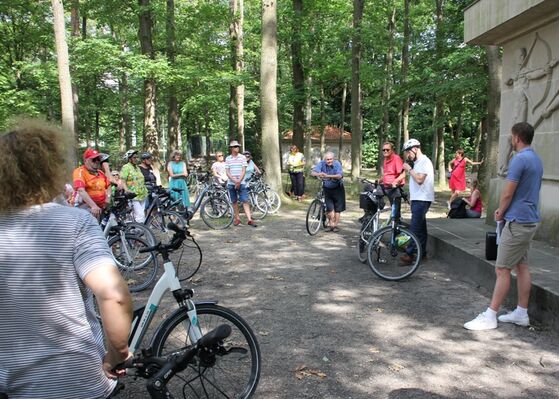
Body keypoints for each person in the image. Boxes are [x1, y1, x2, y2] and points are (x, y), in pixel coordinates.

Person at [0, 120, 133, 399]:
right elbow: (114, 296)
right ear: (50, 168)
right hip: (74, 377)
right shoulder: (74, 223)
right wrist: (116, 355)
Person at [464, 122, 543, 331]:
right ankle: (521, 313)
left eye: (511, 136)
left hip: (517, 221)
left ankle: (491, 315)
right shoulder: (536, 159)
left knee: (502, 268)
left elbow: (508, 192)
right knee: (522, 266)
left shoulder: (519, 160)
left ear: (516, 138)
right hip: (530, 220)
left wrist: (500, 211)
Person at [400, 139, 434, 264]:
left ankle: (410, 254)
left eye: (408, 152)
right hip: (417, 198)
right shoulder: (418, 162)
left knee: (414, 228)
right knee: (421, 228)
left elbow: (420, 179)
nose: (407, 155)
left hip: (422, 199)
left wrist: (409, 169)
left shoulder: (425, 161)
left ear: (415, 149)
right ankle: (423, 254)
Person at [311, 151, 345, 232]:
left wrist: (327, 176)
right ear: (325, 159)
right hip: (327, 187)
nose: (329, 161)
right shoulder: (322, 163)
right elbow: (313, 172)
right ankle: (331, 224)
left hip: (338, 188)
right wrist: (318, 174)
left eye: (330, 159)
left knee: (337, 208)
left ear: (333, 159)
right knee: (330, 208)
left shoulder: (337, 164)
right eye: (327, 159)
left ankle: (335, 225)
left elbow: (339, 176)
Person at [72, 147, 110, 220]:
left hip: (101, 207)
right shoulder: (80, 171)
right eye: (94, 160)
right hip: (85, 206)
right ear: (86, 160)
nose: (97, 161)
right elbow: (81, 190)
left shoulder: (100, 173)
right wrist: (93, 206)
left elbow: (109, 186)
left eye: (98, 159)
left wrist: (107, 200)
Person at [226, 140, 257, 227]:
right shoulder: (228, 158)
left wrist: (239, 181)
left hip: (242, 182)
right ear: (231, 148)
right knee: (234, 201)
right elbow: (227, 171)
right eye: (235, 146)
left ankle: (249, 219)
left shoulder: (242, 158)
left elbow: (244, 170)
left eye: (238, 146)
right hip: (231, 183)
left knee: (245, 200)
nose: (237, 148)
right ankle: (237, 219)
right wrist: (234, 181)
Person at [120, 149, 148, 223]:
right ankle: (139, 231)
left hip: (142, 194)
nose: (136, 159)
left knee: (138, 215)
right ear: (129, 159)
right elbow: (123, 180)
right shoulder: (126, 167)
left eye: (136, 157)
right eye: (134, 157)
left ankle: (133, 230)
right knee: (140, 215)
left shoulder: (137, 167)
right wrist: (126, 190)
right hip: (133, 195)